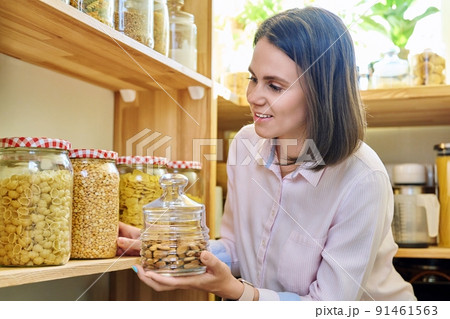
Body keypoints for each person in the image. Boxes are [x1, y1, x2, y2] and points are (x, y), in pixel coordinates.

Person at [117, 7, 416, 301]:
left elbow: (327, 306)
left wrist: (234, 290)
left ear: (321, 92)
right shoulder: (245, 145)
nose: (253, 97)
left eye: (274, 86)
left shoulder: (363, 178)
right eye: (253, 78)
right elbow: (237, 247)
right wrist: (174, 248)